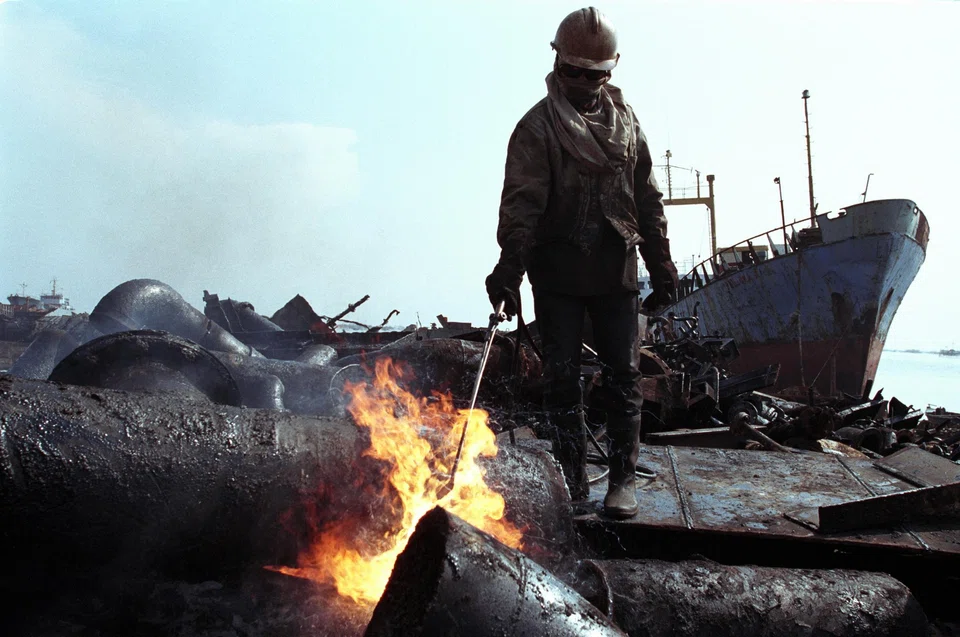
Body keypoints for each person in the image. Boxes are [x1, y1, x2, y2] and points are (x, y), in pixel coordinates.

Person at [484, 6, 678, 519]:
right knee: (562, 381)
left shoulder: (628, 123)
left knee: (624, 377)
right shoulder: (536, 129)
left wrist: (662, 266)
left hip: (616, 269)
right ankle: (573, 482)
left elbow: (647, 198)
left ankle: (622, 482)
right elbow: (522, 205)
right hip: (559, 273)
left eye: (594, 74)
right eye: (573, 72)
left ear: (609, 72)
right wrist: (510, 270)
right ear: (556, 64)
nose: (582, 82)